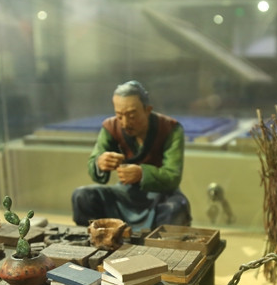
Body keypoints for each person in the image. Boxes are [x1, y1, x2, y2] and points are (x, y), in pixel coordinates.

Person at [71, 80, 191, 231]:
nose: (125, 123)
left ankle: (159, 244)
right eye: (119, 116)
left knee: (176, 207)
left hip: (161, 196)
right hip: (124, 194)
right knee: (82, 196)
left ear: (147, 110)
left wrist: (142, 174)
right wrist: (100, 163)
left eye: (132, 116)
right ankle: (98, 238)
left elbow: (173, 176)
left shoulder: (170, 129)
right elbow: (95, 161)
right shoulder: (111, 127)